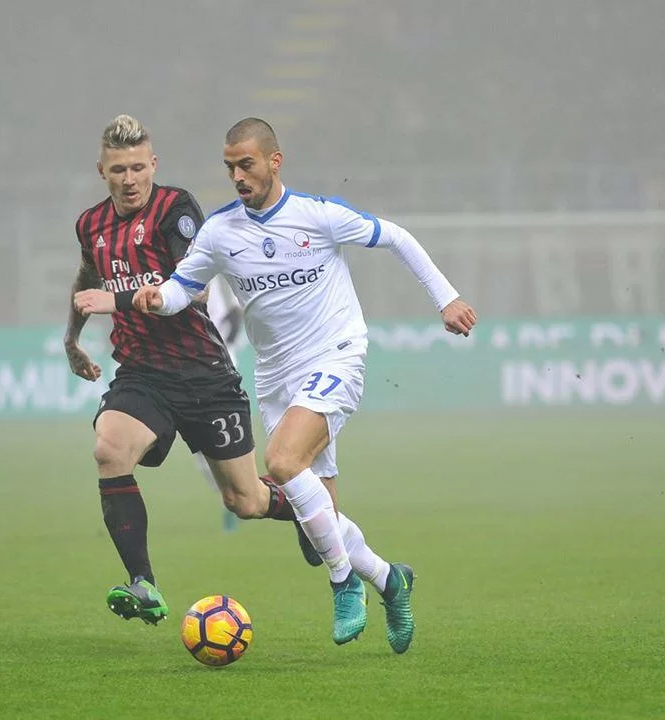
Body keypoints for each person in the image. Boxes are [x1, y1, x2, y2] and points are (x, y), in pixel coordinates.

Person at [130, 118, 478, 654]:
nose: (237, 176)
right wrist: (160, 297)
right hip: (275, 376)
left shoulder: (318, 217)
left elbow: (398, 238)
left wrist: (446, 298)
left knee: (284, 461)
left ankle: (344, 587)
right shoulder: (220, 231)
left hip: (336, 354)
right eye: (229, 167)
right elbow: (184, 287)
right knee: (321, 519)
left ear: (275, 161)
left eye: (246, 164)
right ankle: (390, 580)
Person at [66, 114, 303, 627]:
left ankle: (307, 515)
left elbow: (191, 288)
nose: (129, 180)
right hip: (142, 373)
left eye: (137, 168)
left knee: (245, 500)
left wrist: (119, 299)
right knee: (109, 448)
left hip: (203, 374)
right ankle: (143, 583)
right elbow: (88, 277)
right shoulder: (91, 224)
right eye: (117, 171)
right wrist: (71, 340)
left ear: (153, 165)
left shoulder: (177, 210)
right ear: (101, 172)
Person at [195, 275, 245, 532]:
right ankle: (230, 496)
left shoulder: (212, 268)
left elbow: (236, 313)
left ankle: (241, 496)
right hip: (188, 368)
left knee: (228, 441)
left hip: (220, 365)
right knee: (202, 452)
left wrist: (227, 344)